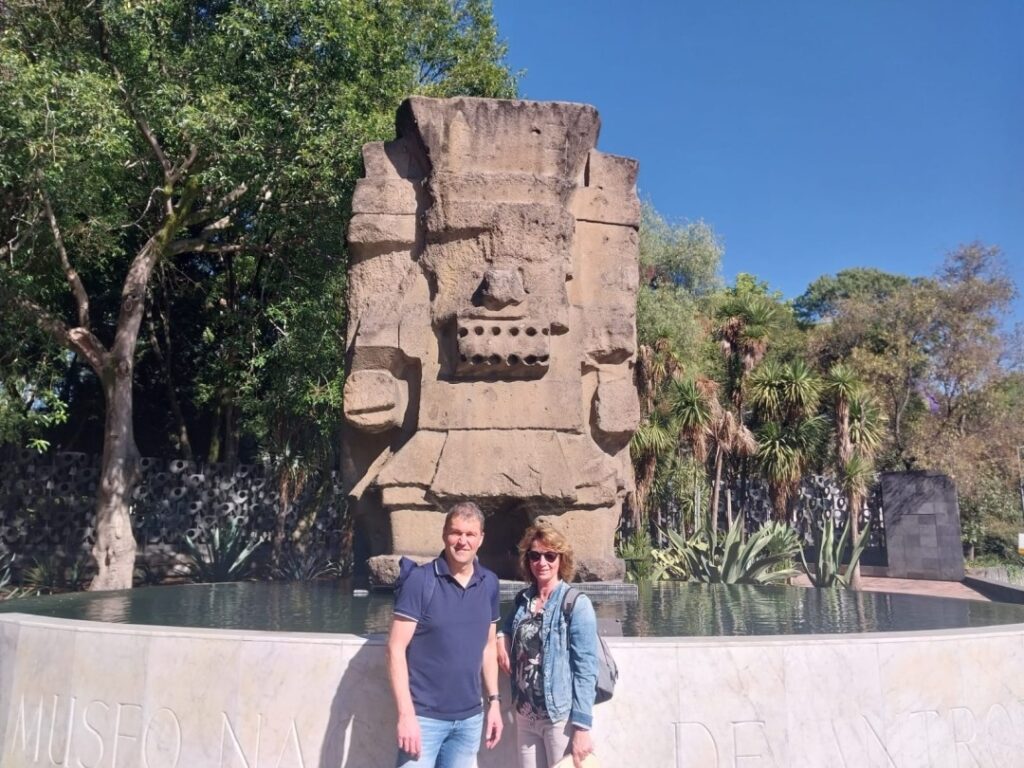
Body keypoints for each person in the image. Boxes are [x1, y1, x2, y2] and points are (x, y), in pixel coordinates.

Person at [387, 501, 503, 767]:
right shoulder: (420, 581)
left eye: (470, 534)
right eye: (456, 532)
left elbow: (487, 646)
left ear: (481, 539)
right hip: (423, 719)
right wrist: (406, 715)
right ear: (444, 534)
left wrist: (494, 701)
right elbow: (394, 649)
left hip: (470, 721)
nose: (462, 541)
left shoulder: (490, 583)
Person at [497, 522, 598, 768]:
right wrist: (501, 638)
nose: (542, 562)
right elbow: (506, 625)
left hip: (558, 717)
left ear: (561, 559)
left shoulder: (576, 603)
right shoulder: (524, 599)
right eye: (535, 555)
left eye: (550, 555)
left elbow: (586, 668)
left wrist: (582, 727)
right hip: (524, 716)